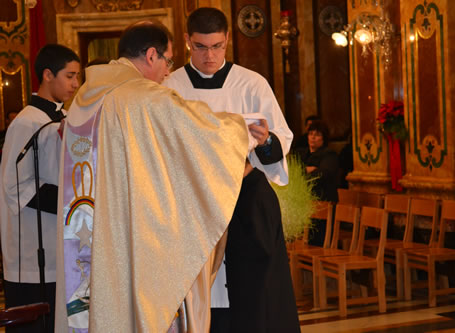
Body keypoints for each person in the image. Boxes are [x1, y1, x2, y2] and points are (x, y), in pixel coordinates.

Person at [54, 20, 249, 333]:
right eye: (168, 61)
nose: (168, 72)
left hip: (89, 231)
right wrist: (241, 129)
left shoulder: (85, 100)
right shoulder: (142, 97)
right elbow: (199, 132)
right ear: (150, 55)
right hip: (131, 233)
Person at [162, 7, 299, 332]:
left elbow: (282, 137)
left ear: (227, 41)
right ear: (186, 41)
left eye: (217, 46)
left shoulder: (251, 84)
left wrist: (265, 142)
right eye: (200, 47)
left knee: (256, 297)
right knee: (202, 297)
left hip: (246, 200)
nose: (209, 56)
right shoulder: (171, 88)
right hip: (193, 204)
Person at [0, 44, 80, 333]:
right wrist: (72, 203)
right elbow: (16, 186)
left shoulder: (64, 119)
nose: (75, 84)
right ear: (48, 75)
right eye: (70, 76)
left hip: (59, 244)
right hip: (32, 252)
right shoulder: (27, 122)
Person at [296, 120, 340, 245]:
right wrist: (307, 169)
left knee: (318, 239)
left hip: (323, 201)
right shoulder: (301, 153)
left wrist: (304, 171)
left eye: (317, 134)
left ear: (324, 138)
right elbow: (292, 170)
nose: (313, 137)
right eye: (311, 134)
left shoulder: (330, 155)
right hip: (304, 202)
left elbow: (322, 175)